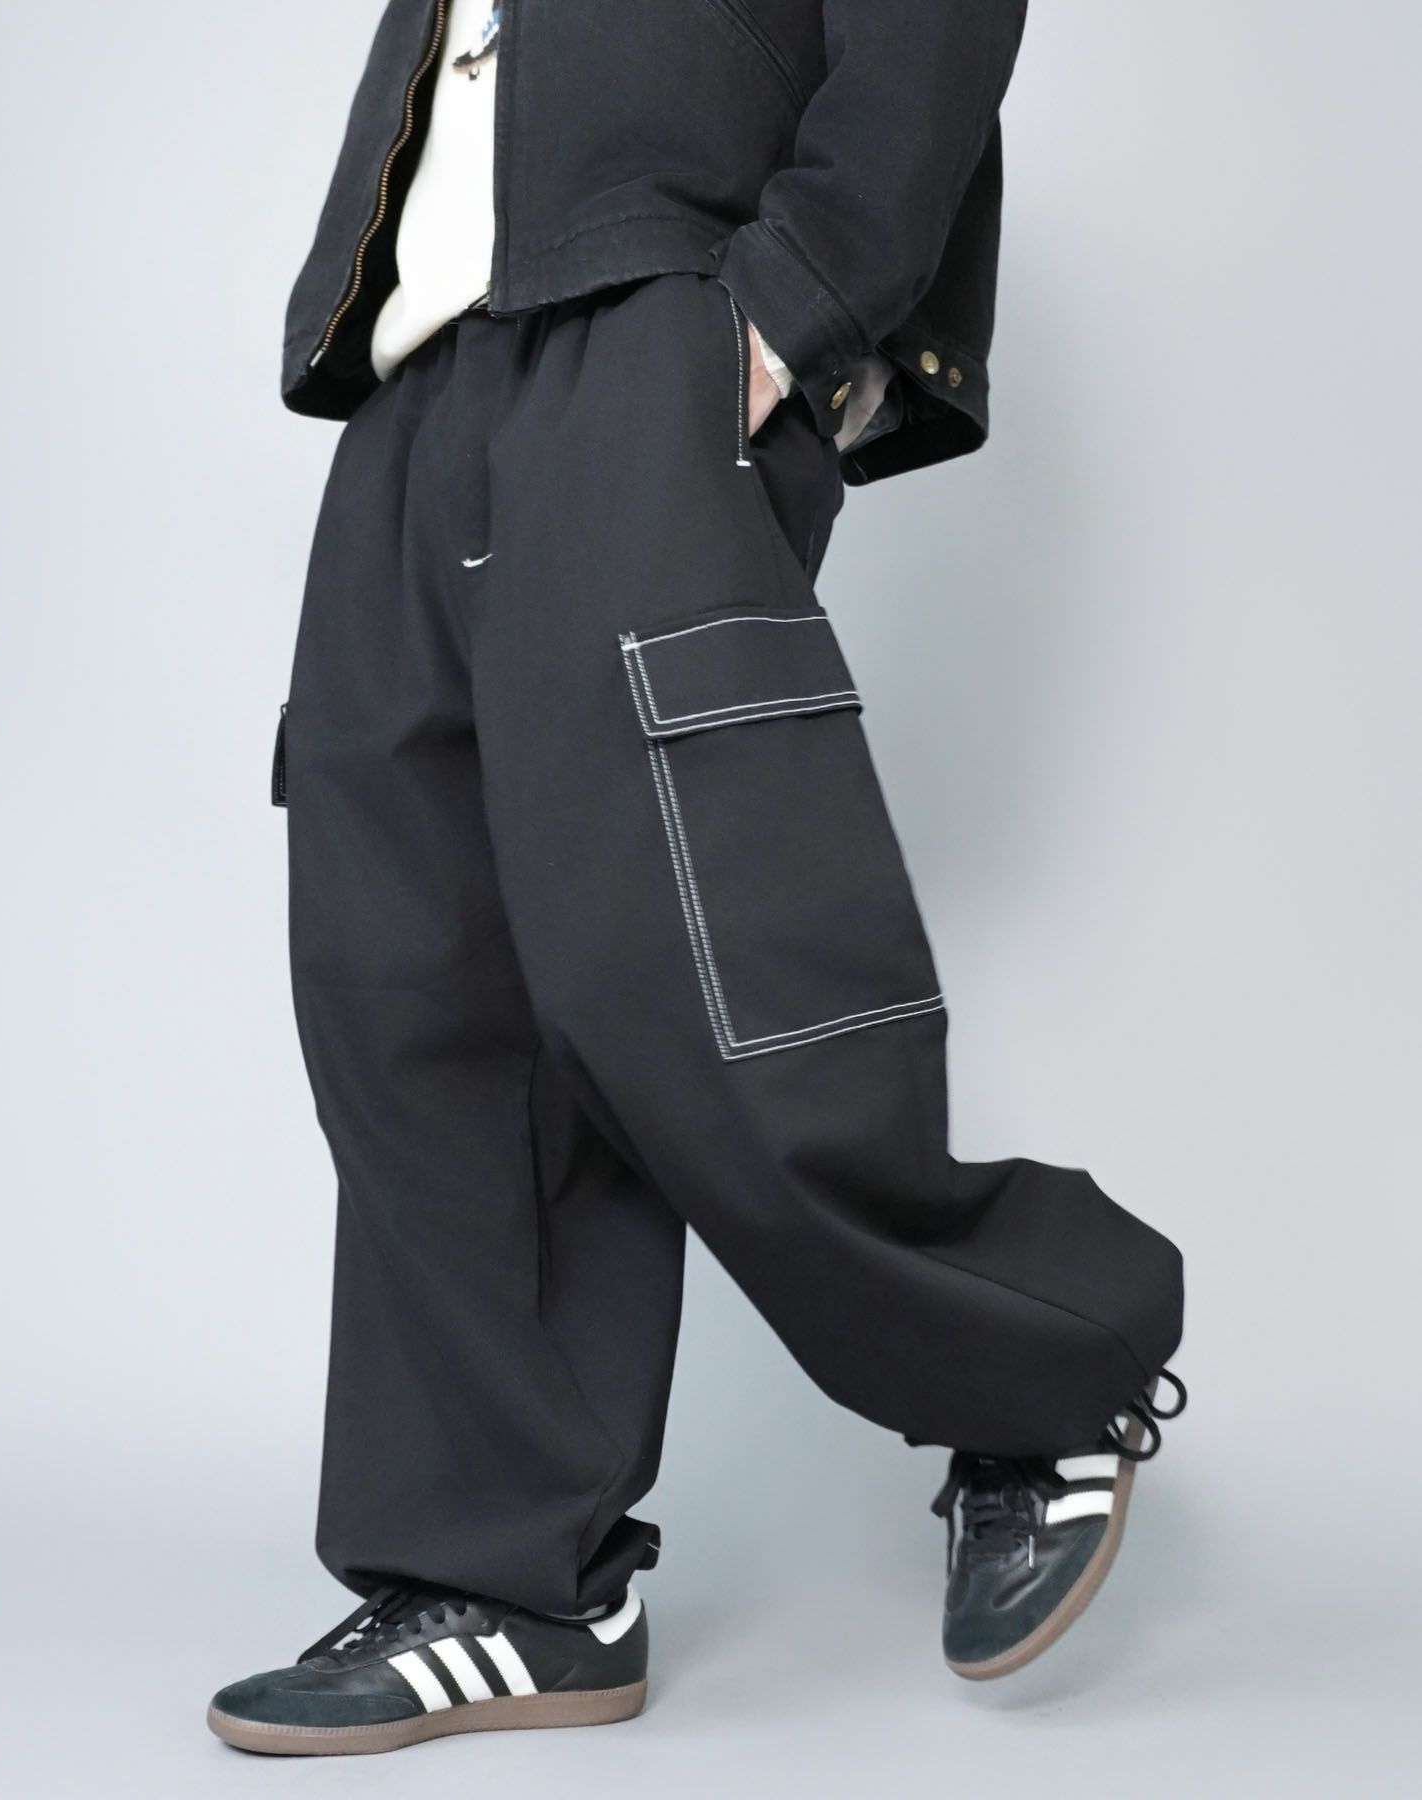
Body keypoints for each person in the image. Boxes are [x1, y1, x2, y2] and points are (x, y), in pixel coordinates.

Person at [208, 0, 1186, 1757]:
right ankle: (512, 1581)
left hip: (652, 320)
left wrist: (791, 303)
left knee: (684, 951)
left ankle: (1044, 1371)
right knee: (410, 988)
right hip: (421, 371)